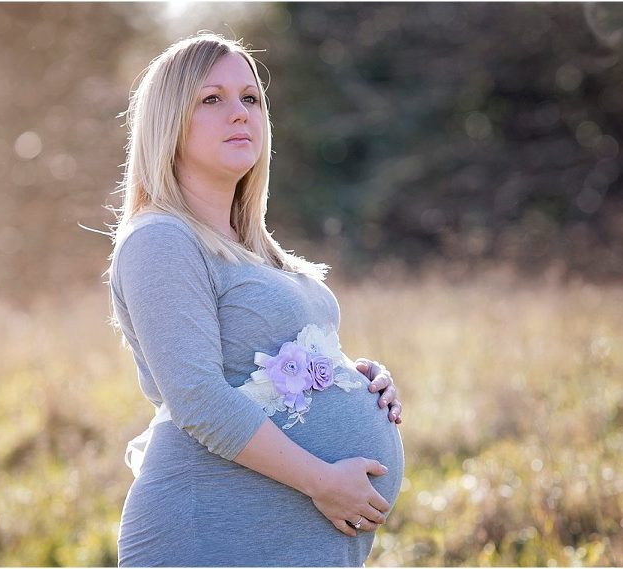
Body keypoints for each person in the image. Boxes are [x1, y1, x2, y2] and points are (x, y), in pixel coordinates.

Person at [107, 32, 404, 567]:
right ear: (168, 123)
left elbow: (258, 363)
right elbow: (197, 398)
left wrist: (349, 377)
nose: (240, 113)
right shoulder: (160, 240)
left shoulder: (256, 252)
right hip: (208, 531)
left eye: (250, 98)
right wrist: (323, 480)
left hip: (283, 537)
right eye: (211, 99)